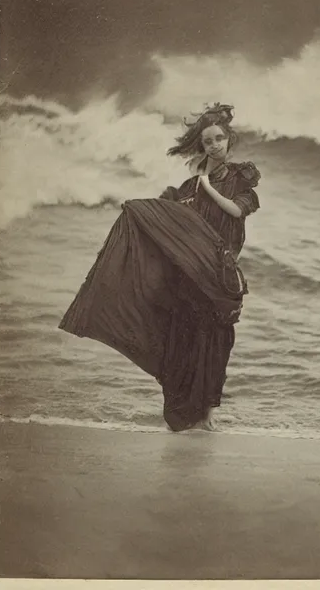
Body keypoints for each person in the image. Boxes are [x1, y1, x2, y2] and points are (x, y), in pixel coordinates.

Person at [60, 103, 260, 432]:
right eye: (208, 141)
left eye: (220, 139)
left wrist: (208, 187)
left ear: (229, 139)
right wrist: (141, 212)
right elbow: (167, 215)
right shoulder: (188, 188)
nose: (215, 145)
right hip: (191, 276)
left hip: (220, 275)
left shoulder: (241, 177)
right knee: (184, 339)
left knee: (218, 341)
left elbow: (238, 213)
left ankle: (208, 413)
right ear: (202, 144)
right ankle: (183, 414)